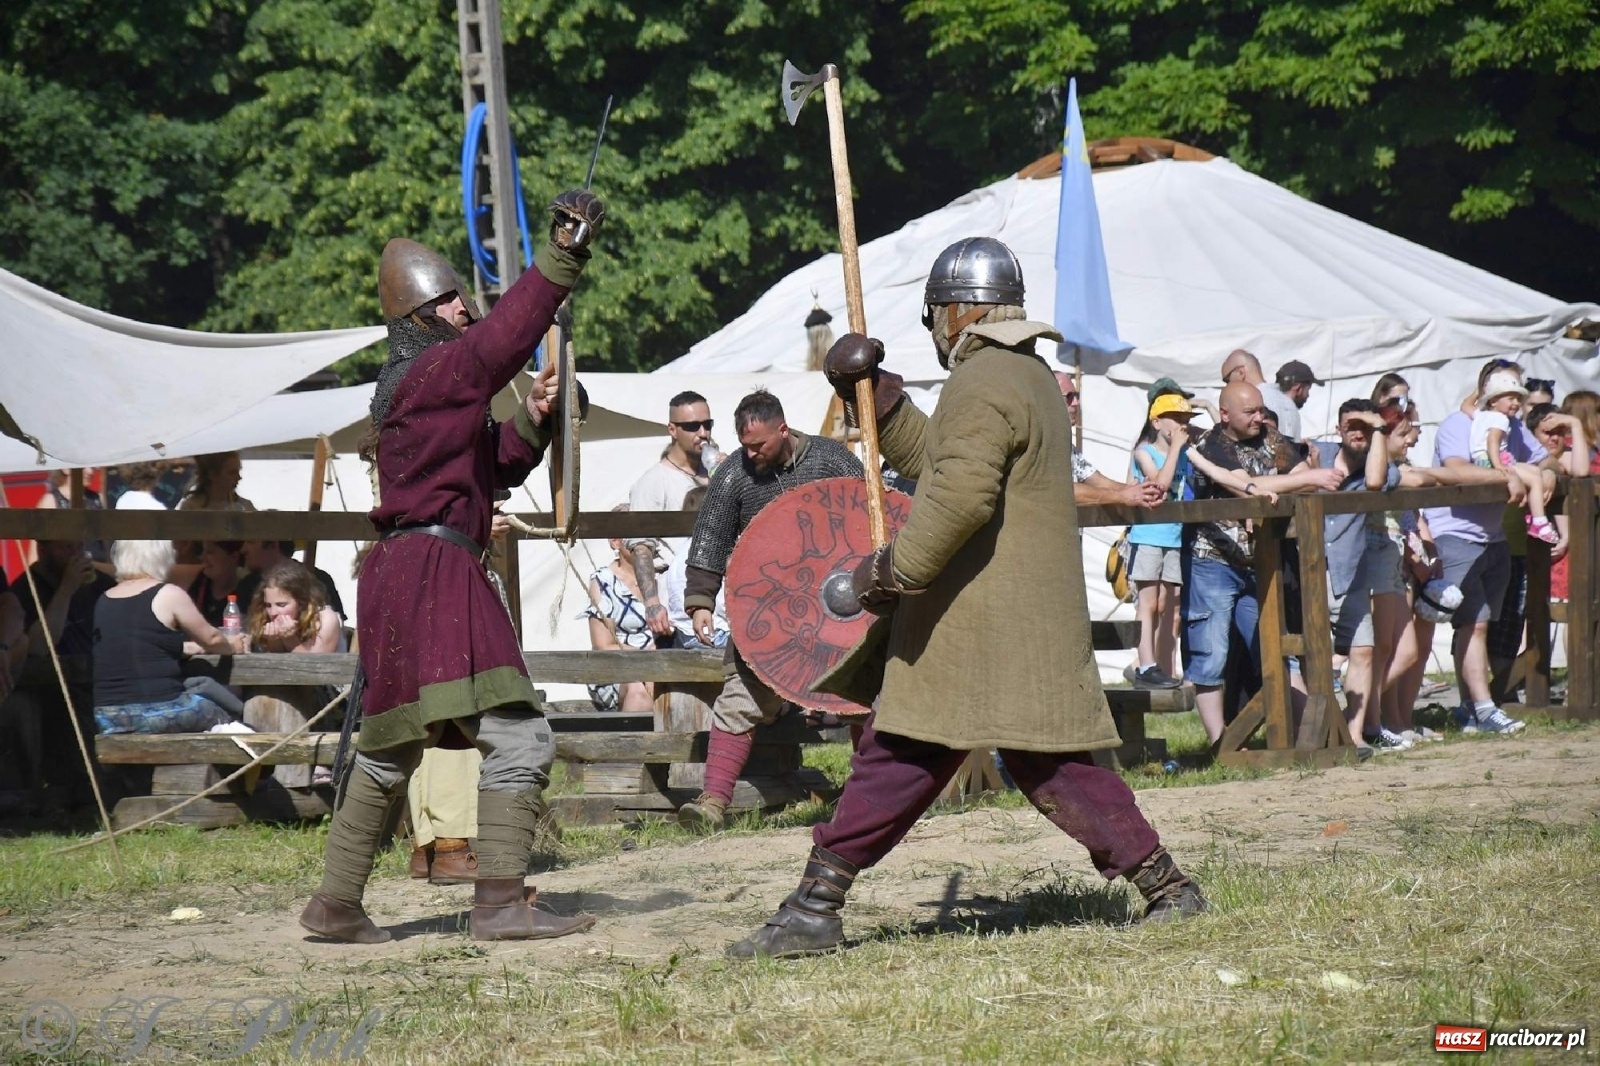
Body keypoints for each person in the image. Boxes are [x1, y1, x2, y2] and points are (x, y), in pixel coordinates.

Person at [724, 238, 1207, 961]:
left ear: (958, 312)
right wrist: (878, 393)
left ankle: (815, 906)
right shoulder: (1022, 374)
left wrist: (885, 574)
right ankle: (1166, 886)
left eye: (936, 315)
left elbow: (957, 499)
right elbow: (938, 458)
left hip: (978, 620)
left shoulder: (986, 380)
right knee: (1050, 763)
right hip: (1007, 618)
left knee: (900, 753)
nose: (936, 327)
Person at [297, 187, 604, 945]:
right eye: (455, 302)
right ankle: (499, 901)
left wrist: (531, 416)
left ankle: (334, 905)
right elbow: (498, 342)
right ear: (420, 317)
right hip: (435, 571)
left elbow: (488, 469)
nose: (467, 310)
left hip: (408, 572)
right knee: (522, 734)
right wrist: (562, 255)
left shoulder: (425, 389)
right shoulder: (432, 374)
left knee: (392, 742)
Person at [673, 389, 864, 831]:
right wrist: (701, 601)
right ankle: (713, 802)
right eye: (744, 444)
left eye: (759, 443)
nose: (751, 452)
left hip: (839, 606)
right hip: (771, 610)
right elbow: (711, 537)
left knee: (861, 696)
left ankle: (863, 799)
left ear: (783, 428)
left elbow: (866, 516)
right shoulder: (735, 475)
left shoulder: (831, 460)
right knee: (740, 695)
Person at [1179, 383, 1343, 743]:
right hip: (1213, 561)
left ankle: (1310, 736)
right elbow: (1245, 485)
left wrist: (1296, 480)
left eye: (1259, 409)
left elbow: (1303, 484)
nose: (1259, 417)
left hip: (1259, 561)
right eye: (1249, 412)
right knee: (1210, 652)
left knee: (1276, 646)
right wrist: (1307, 477)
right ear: (1225, 414)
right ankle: (1219, 743)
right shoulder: (1211, 444)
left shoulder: (1271, 437)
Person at [1421, 358, 1551, 735]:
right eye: (1510, 393)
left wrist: (1547, 476)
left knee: (1476, 627)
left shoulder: (1508, 425)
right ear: (1490, 392)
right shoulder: (1456, 424)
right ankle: (1481, 708)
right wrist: (1505, 475)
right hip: (1454, 534)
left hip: (1492, 537)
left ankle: (1472, 708)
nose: (1515, 402)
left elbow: (1544, 460)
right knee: (1468, 627)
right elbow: (1457, 467)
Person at [1312, 400, 1406, 749]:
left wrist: (1378, 428)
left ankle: (1354, 737)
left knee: (1363, 652)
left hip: (1351, 574)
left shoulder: (1382, 465)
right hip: (1310, 571)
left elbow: (1376, 480)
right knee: (1314, 655)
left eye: (1365, 428)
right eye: (1351, 425)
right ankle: (1322, 735)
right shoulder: (1315, 452)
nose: (1357, 432)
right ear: (1337, 429)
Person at [91, 539, 247, 735]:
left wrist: (194, 648)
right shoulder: (168, 594)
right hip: (157, 712)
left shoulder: (103, 600)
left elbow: (147, 645)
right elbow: (213, 639)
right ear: (162, 556)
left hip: (107, 717)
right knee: (222, 712)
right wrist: (232, 646)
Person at [626, 392, 722, 643]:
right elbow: (641, 547)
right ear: (672, 429)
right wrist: (653, 604)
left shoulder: (719, 472)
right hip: (679, 613)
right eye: (692, 426)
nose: (702, 433)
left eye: (707, 424)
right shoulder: (653, 482)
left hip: (723, 604)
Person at [1122, 393, 1199, 689]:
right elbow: (1160, 485)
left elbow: (1214, 467)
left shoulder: (1184, 451)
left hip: (1173, 537)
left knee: (1168, 604)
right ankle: (1145, 665)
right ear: (1156, 422)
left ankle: (1159, 666)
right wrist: (1177, 448)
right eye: (1177, 419)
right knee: (1148, 602)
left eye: (1186, 420)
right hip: (1148, 536)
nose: (1183, 426)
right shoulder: (1144, 451)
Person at [582, 505, 656, 712]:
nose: (642, 540)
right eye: (634, 533)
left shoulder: (664, 574)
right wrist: (646, 655)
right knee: (638, 692)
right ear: (615, 541)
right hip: (618, 668)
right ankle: (634, 743)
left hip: (661, 665)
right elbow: (603, 645)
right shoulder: (603, 581)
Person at [1053, 372, 1164, 509]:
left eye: (1076, 396)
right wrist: (1123, 497)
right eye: (1069, 397)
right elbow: (1064, 491)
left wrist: (1142, 492)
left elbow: (1097, 480)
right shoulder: (1042, 444)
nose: (1076, 402)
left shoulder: (1065, 445)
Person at [1471, 372, 1558, 544]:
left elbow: (1465, 406)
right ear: (1494, 400)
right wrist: (1498, 465)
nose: (1517, 404)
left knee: (1534, 471)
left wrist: (1475, 395)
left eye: (1518, 399)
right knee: (1534, 478)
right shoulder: (1501, 420)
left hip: (1489, 459)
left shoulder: (1480, 415)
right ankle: (1539, 522)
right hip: (1494, 460)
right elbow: (1493, 441)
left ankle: (1532, 514)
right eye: (1511, 399)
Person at [1535, 393, 1599, 602]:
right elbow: (1577, 474)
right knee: (1567, 609)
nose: (1554, 437)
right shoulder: (1559, 450)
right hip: (1565, 542)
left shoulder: (1582, 448)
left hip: (1587, 536)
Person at [661, 486, 729, 649]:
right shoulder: (709, 550)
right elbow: (723, 603)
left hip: (685, 635)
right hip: (715, 634)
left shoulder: (678, 554)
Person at [247, 559, 344, 654]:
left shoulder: (325, 619)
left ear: (301, 602)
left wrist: (290, 640)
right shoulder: (263, 618)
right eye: (268, 605)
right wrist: (274, 643)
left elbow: (317, 665)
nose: (273, 612)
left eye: (281, 605)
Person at [236, 539, 345, 620]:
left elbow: (337, 626)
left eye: (250, 542)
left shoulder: (318, 578)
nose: (243, 549)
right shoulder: (247, 585)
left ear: (273, 545)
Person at [187, 541, 246, 629]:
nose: (203, 557)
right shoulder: (201, 582)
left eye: (210, 553)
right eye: (203, 551)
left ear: (234, 557)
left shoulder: (246, 588)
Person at [179, 452, 256, 512]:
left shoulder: (246, 507)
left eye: (238, 471)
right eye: (232, 473)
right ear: (213, 475)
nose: (239, 478)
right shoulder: (191, 507)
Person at [1270, 360, 1320, 442]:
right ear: (1298, 388)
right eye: (1308, 389)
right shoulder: (1288, 409)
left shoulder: (1264, 398)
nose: (1308, 395)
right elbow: (1287, 447)